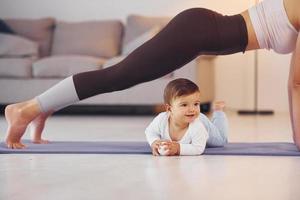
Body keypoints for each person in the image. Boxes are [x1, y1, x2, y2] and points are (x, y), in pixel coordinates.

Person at [4, 0, 300, 149]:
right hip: (195, 32)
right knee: (118, 76)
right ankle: (26, 109)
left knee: (118, 76)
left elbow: (294, 83)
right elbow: (297, 84)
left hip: (198, 30)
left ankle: (41, 107)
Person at [145, 78, 228, 156]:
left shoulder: (197, 125)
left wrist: (178, 148)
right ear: (169, 109)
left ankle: (218, 112)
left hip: (202, 122)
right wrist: (154, 141)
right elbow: (150, 131)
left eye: (196, 104)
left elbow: (198, 148)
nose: (192, 109)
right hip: (193, 122)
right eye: (184, 105)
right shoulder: (161, 119)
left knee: (220, 141)